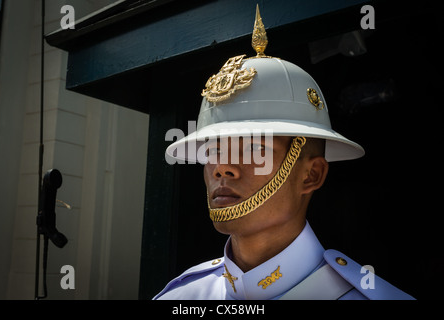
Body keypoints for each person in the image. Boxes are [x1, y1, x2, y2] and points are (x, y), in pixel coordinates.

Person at [154, 6, 414, 300]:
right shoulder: (180, 297)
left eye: (254, 149)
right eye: (213, 149)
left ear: (311, 174)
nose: (223, 168)